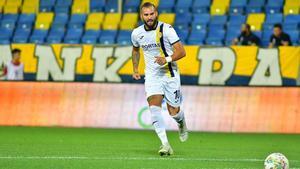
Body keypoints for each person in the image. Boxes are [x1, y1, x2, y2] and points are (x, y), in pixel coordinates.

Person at [131, 2, 188, 156]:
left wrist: (167, 59)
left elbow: (182, 52)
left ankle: (181, 122)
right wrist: (135, 68)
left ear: (156, 13)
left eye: (151, 14)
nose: (149, 17)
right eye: (146, 15)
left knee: (173, 111)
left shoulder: (167, 29)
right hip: (152, 76)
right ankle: (165, 144)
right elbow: (135, 50)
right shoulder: (136, 33)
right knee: (154, 108)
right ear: (141, 16)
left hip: (170, 74)